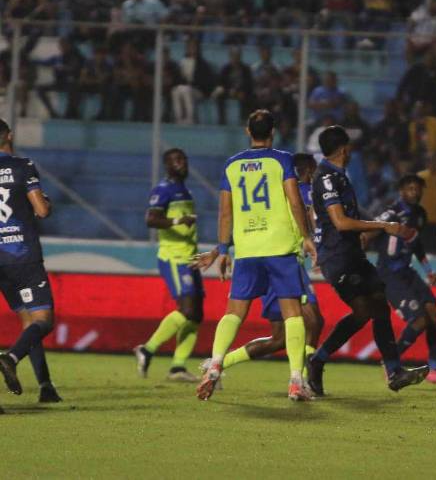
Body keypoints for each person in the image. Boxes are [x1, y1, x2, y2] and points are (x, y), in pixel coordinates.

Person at [194, 110, 317, 402]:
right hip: (280, 247)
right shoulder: (282, 160)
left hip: (247, 249)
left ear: (248, 131)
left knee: (234, 312)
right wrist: (306, 237)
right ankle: (296, 381)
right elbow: (294, 201)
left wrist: (223, 249)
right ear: (273, 131)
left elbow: (225, 212)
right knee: (293, 314)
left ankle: (216, 363)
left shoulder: (232, 164)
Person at [306, 126, 429, 396]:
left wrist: (360, 233)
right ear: (343, 149)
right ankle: (318, 360)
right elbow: (340, 222)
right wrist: (382, 226)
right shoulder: (327, 178)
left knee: (377, 307)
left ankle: (394, 372)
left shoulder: (338, 176)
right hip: (337, 257)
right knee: (365, 309)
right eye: (349, 146)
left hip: (351, 253)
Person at [200, 154, 325, 378]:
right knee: (312, 321)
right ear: (308, 170)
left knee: (279, 338)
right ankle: (305, 378)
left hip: (269, 258)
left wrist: (220, 249)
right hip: (285, 260)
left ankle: (218, 364)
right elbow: (310, 218)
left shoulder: (275, 186)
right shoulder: (302, 191)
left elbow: (247, 220)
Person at [365, 175, 436, 387]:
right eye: (410, 188)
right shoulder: (392, 213)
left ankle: (435, 369)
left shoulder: (420, 215)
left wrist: (429, 271)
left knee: (435, 315)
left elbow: (417, 245)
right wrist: (360, 247)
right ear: (401, 191)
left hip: (407, 272)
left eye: (417, 189)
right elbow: (370, 231)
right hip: (389, 275)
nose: (414, 192)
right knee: (419, 320)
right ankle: (391, 363)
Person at [0, 119, 60, 403]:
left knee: (28, 322)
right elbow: (42, 210)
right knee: (42, 320)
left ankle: (46, 386)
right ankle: (11, 358)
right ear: (9, 136)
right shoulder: (23, 166)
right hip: (22, 255)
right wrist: (45, 202)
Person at [133, 149, 202, 383]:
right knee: (187, 310)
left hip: (190, 257)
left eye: (184, 160)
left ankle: (178, 367)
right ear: (167, 165)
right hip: (174, 257)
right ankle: (147, 349)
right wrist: (178, 220)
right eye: (177, 160)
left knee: (196, 315)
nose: (183, 164)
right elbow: (151, 219)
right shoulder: (163, 189)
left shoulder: (185, 190)